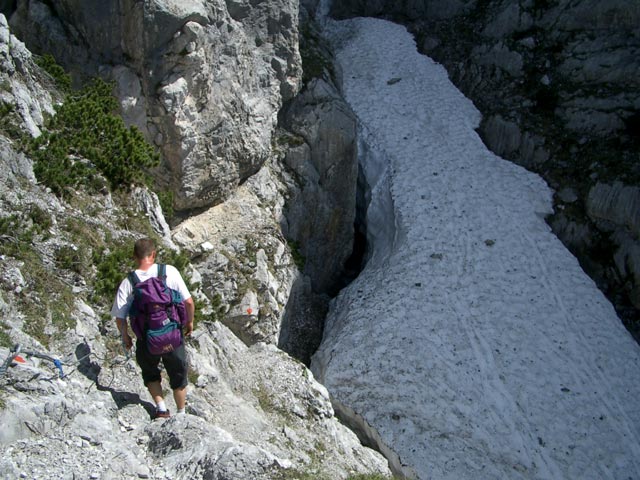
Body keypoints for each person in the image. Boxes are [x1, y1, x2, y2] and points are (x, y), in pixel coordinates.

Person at [111, 238, 195, 419]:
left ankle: (161, 408)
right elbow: (188, 302)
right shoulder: (169, 272)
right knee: (178, 374)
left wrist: (125, 337)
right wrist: (189, 323)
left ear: (134, 257)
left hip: (146, 338)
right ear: (153, 254)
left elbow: (119, 317)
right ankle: (181, 413)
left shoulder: (129, 282)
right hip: (172, 334)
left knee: (150, 373)